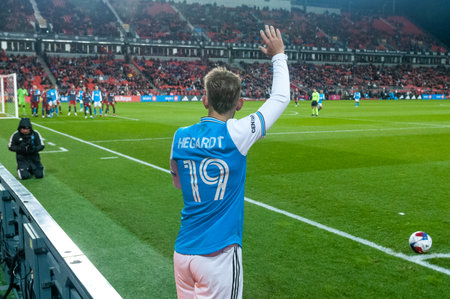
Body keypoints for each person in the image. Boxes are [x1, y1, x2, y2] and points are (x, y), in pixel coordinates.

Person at [169, 25, 289, 299]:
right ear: (240, 104)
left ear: (204, 100)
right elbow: (280, 98)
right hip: (218, 255)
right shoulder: (237, 133)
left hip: (183, 252)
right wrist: (278, 55)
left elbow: (179, 184)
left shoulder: (180, 137)